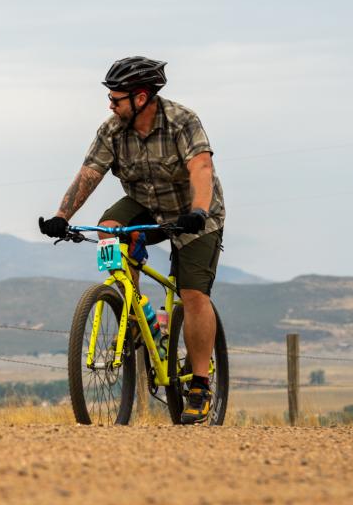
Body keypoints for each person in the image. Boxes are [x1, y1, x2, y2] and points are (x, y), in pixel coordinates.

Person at [38, 56, 225, 424]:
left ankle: (201, 385)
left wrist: (199, 211)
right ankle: (133, 312)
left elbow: (201, 167)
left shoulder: (182, 121)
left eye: (116, 98)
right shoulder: (112, 130)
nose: (110, 104)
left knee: (192, 294)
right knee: (108, 227)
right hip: (145, 205)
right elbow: (89, 174)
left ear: (141, 98)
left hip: (193, 213)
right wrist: (62, 216)